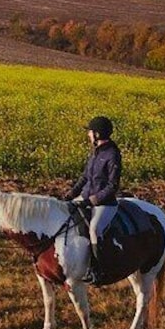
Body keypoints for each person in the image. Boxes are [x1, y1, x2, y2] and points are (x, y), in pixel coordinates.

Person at [66, 116, 122, 283]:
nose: (88, 135)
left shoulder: (112, 155)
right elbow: (85, 177)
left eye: (90, 132)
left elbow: (112, 186)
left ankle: (97, 269)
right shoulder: (96, 153)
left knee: (94, 230)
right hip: (85, 197)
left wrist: (92, 200)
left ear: (97, 134)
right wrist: (71, 194)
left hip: (104, 204)